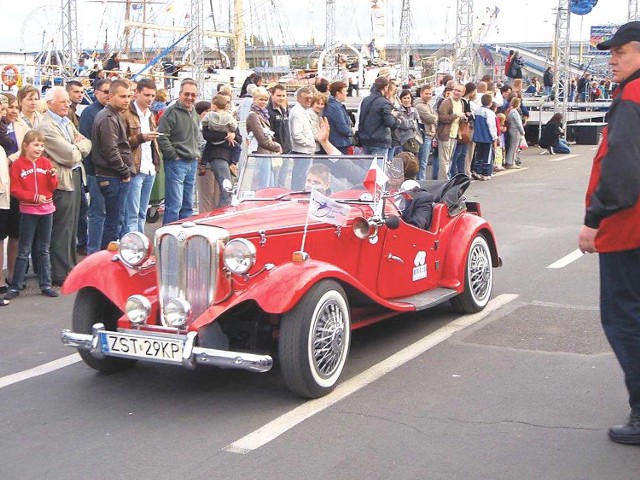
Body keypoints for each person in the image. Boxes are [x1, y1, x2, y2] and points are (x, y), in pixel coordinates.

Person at [578, 22, 640, 445]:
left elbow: (620, 171)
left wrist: (593, 220)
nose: (612, 60)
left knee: (624, 319)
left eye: (620, 52)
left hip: (627, 230)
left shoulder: (632, 99)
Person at [38, 87, 91, 285]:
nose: (67, 105)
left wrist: (78, 147)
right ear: (50, 102)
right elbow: (69, 155)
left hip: (75, 175)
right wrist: (78, 148)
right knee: (62, 226)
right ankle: (60, 272)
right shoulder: (46, 127)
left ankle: (69, 266)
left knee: (73, 223)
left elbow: (87, 142)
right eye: (63, 102)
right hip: (61, 180)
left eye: (67, 101)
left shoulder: (67, 121)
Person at [4, 130, 59, 300]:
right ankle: (16, 285)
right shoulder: (18, 165)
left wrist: (53, 177)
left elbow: (52, 187)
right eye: (36, 145)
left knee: (43, 248)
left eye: (42, 145)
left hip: (47, 210)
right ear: (26, 146)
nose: (39, 149)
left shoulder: (46, 163)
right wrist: (33, 197)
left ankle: (46, 284)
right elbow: (15, 189)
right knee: (24, 249)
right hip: (28, 211)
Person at [91, 79, 133, 246]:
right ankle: (107, 263)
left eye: (129, 96)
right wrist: (125, 173)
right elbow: (110, 150)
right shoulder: (108, 117)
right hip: (113, 176)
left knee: (115, 222)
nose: (127, 100)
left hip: (113, 175)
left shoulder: (113, 115)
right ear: (111, 96)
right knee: (114, 224)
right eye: (122, 96)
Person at [157, 78, 203, 224]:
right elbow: (162, 136)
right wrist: (173, 155)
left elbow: (197, 135)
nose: (190, 97)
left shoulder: (194, 112)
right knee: (174, 205)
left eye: (193, 95)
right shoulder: (171, 112)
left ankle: (185, 240)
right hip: (176, 163)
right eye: (186, 94)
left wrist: (197, 153)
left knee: (187, 206)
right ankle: (168, 241)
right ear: (179, 94)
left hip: (191, 162)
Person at [122, 78, 161, 233]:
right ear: (137, 93)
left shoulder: (150, 114)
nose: (150, 99)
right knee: (132, 213)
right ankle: (133, 247)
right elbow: (121, 143)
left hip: (149, 167)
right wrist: (141, 138)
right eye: (147, 95)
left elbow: (152, 144)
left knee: (142, 212)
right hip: (135, 168)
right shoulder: (127, 114)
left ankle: (141, 245)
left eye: (152, 96)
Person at [79, 78, 110, 254]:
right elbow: (88, 143)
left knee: (112, 215)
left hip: (112, 173)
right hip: (96, 172)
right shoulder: (89, 113)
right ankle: (93, 252)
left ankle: (106, 251)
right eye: (105, 92)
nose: (108, 95)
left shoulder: (113, 111)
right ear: (96, 92)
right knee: (98, 214)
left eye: (110, 92)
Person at [201, 94, 241, 208]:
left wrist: (233, 135)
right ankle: (221, 215)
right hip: (218, 156)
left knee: (224, 191)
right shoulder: (222, 118)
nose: (227, 104)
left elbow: (239, 138)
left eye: (229, 101)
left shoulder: (225, 117)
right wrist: (226, 134)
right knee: (225, 190)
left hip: (224, 156)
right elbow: (207, 135)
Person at [245, 86, 282, 188]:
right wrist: (276, 147)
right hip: (260, 154)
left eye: (265, 100)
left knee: (270, 185)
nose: (263, 102)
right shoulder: (253, 115)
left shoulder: (263, 114)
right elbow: (262, 139)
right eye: (261, 99)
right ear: (254, 99)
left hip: (266, 153)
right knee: (263, 186)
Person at [357, 76, 399, 160]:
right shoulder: (384, 103)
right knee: (378, 170)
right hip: (380, 141)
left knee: (367, 169)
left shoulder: (365, 100)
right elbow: (390, 123)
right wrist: (396, 119)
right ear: (386, 87)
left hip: (365, 140)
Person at [436, 83, 465, 180]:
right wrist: (455, 115)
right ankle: (444, 181)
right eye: (455, 90)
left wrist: (463, 118)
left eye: (459, 91)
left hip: (455, 134)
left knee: (449, 159)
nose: (456, 92)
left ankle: (446, 179)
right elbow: (441, 118)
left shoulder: (461, 103)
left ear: (463, 93)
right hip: (445, 134)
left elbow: (459, 118)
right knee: (444, 160)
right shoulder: (446, 102)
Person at [288, 86, 315, 189]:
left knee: (301, 176)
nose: (309, 100)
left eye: (310, 98)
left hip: (304, 150)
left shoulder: (303, 110)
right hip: (302, 150)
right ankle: (297, 195)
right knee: (299, 177)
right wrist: (310, 143)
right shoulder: (298, 112)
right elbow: (297, 135)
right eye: (306, 98)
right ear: (299, 98)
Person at [470, 94, 498, 181]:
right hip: (487, 137)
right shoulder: (490, 113)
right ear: (490, 103)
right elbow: (491, 126)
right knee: (487, 155)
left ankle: (477, 170)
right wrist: (494, 137)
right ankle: (485, 173)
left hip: (478, 136)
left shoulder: (477, 111)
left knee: (479, 154)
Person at [414, 84, 437, 180]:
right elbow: (432, 118)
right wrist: (434, 117)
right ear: (421, 93)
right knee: (422, 161)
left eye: (430, 94)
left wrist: (434, 117)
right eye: (426, 93)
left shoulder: (428, 105)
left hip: (429, 134)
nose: (428, 95)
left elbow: (435, 116)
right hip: (424, 135)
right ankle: (421, 182)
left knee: (423, 161)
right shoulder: (419, 106)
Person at [324, 81, 353, 154]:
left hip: (336, 142)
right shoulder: (335, 108)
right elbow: (343, 128)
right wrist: (351, 131)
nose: (346, 93)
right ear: (338, 93)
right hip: (339, 143)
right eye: (345, 91)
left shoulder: (333, 105)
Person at [504, 97, 525, 169]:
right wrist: (522, 131)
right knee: (514, 147)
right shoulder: (515, 112)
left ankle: (509, 161)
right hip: (515, 130)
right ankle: (511, 162)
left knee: (512, 147)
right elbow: (518, 123)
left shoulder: (510, 111)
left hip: (511, 129)